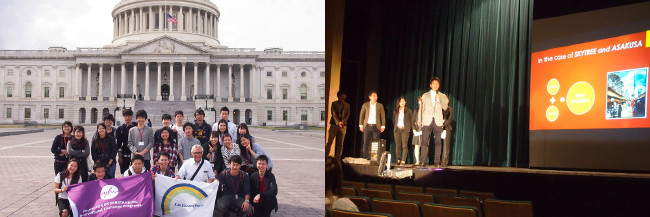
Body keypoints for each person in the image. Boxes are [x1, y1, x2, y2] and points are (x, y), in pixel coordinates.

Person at [417, 77, 449, 167]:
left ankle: (436, 161)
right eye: (434, 83)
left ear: (439, 85)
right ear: (430, 85)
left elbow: (445, 108)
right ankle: (422, 160)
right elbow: (421, 109)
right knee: (424, 142)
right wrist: (419, 120)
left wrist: (439, 99)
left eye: (437, 84)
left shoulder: (442, 96)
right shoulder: (425, 95)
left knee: (438, 142)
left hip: (438, 121)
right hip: (427, 120)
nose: (435, 85)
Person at [358, 91, 386, 159]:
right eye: (374, 96)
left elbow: (383, 116)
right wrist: (361, 125)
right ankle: (365, 157)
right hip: (367, 126)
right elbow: (361, 115)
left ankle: (374, 157)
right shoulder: (365, 105)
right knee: (366, 143)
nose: (375, 97)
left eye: (376, 96)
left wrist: (383, 126)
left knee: (375, 143)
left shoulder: (380, 105)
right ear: (370, 97)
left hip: (376, 126)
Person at [326, 91, 350, 158]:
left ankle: (338, 158)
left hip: (343, 126)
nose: (343, 97)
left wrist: (342, 122)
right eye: (342, 96)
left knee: (340, 144)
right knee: (330, 142)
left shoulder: (347, 105)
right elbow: (333, 114)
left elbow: (348, 115)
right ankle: (326, 156)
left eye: (344, 96)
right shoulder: (334, 103)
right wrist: (338, 122)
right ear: (338, 96)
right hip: (334, 125)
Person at [393, 97, 414, 165]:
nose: (402, 102)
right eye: (401, 101)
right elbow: (394, 120)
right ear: (398, 103)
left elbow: (411, 121)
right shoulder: (395, 111)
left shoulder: (409, 111)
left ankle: (403, 160)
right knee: (398, 145)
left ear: (405, 102)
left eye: (403, 101)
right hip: (397, 130)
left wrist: (411, 128)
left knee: (404, 145)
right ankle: (398, 159)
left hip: (405, 130)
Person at [117, 109, 137, 175]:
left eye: (129, 116)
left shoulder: (136, 126)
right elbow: (119, 144)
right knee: (125, 173)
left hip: (135, 153)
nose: (127, 118)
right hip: (125, 154)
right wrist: (120, 157)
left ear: (132, 116)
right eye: (125, 116)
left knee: (135, 173)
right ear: (123, 117)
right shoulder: (120, 129)